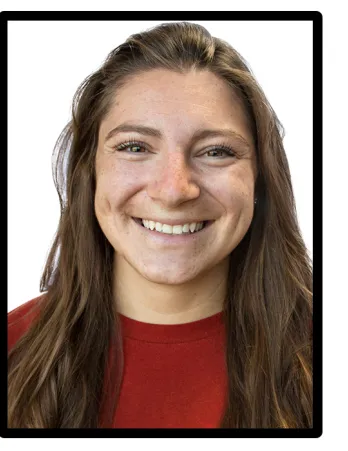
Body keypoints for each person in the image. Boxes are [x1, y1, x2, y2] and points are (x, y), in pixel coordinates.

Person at [7, 22, 313, 428]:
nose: (174, 190)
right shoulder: (13, 349)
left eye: (216, 152)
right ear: (89, 171)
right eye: (134, 147)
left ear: (260, 178)